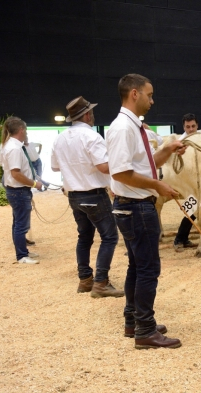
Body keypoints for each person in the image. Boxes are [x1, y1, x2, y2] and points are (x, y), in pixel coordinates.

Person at [106, 73, 186, 349]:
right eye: (149, 95)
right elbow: (121, 173)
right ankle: (145, 330)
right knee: (148, 268)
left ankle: (135, 320)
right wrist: (158, 186)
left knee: (137, 267)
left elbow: (145, 164)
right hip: (136, 207)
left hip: (136, 205)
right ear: (134, 94)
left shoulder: (134, 128)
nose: (153, 100)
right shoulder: (123, 129)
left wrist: (169, 149)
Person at [51, 96, 123, 298]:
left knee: (84, 237)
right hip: (94, 194)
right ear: (87, 114)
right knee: (109, 237)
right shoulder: (92, 137)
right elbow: (103, 166)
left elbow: (55, 167)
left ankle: (85, 280)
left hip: (74, 195)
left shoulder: (60, 138)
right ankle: (101, 282)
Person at [0, 116, 43, 264]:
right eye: (26, 130)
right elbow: (16, 173)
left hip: (16, 190)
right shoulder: (14, 148)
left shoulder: (8, 145)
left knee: (18, 222)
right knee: (21, 224)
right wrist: (34, 184)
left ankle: (23, 251)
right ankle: (22, 256)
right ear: (21, 130)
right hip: (18, 190)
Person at [172, 113, 199, 252]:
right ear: (184, 127)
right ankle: (179, 239)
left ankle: (183, 238)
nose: (191, 129)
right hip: (188, 182)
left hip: (200, 181)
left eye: (193, 126)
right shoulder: (180, 142)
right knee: (192, 209)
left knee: (194, 210)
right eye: (188, 127)